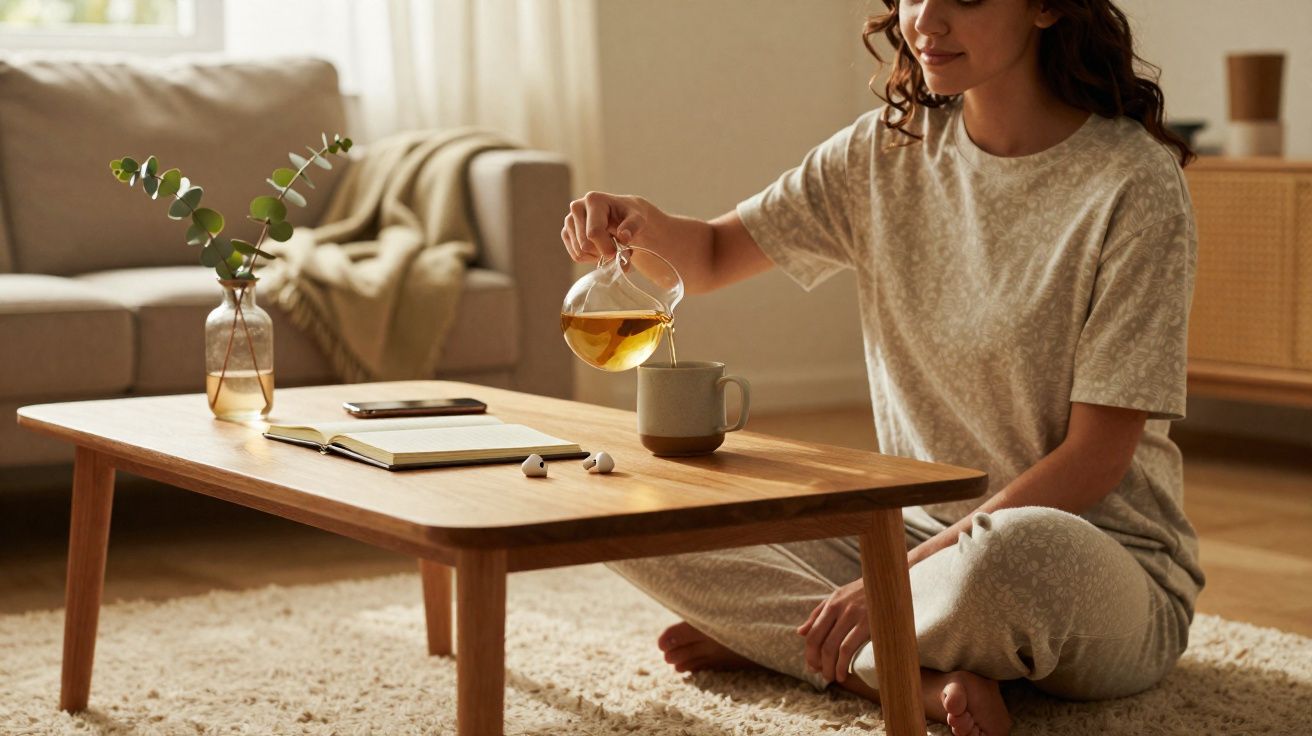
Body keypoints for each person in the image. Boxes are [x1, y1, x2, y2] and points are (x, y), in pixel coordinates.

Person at [560, 0, 1203, 733]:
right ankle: (894, 667)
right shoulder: (884, 150)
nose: (925, 19)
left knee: (1015, 555)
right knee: (624, 506)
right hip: (907, 533)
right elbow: (708, 255)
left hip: (1086, 558)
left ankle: (793, 640)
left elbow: (1095, 460)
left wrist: (894, 583)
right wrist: (634, 223)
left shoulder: (1134, 183)